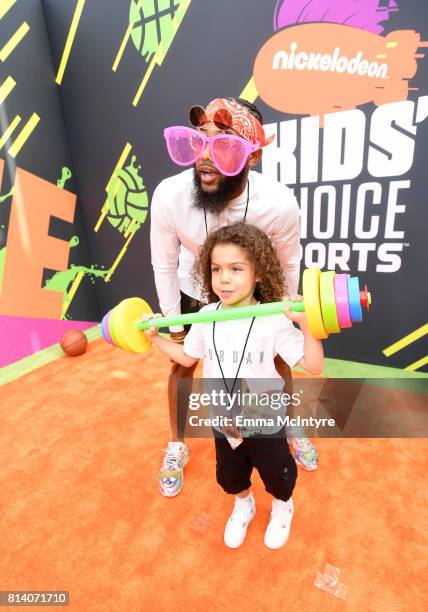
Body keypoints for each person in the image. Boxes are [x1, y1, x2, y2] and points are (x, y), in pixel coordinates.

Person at [150, 97, 318, 498]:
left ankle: (284, 424)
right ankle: (177, 444)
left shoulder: (278, 203)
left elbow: (290, 263)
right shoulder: (169, 195)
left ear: (252, 155)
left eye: (223, 144)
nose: (206, 156)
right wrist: (174, 325)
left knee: (275, 362)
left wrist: (287, 310)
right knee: (183, 367)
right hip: (195, 287)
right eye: (201, 140)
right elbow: (164, 263)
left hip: (255, 288)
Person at [143, 223, 324, 549]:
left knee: (277, 474)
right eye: (216, 269)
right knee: (231, 476)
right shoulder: (206, 315)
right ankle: (244, 504)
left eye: (236, 269)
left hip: (266, 422)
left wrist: (307, 325)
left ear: (257, 274)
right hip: (224, 422)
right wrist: (155, 339)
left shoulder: (273, 319)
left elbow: (313, 365)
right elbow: (186, 359)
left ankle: (283, 506)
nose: (224, 278)